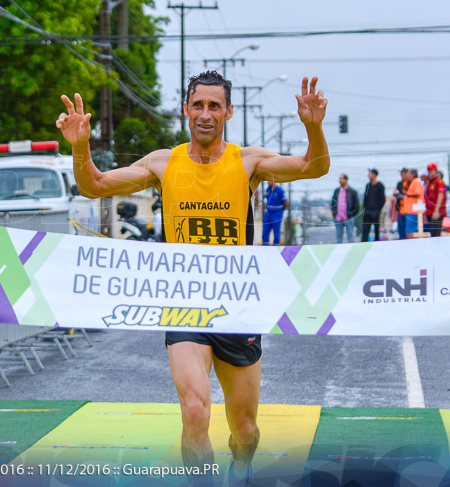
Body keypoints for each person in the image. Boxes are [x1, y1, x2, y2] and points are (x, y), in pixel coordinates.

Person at [55, 71, 329, 480]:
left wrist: (314, 129)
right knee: (195, 411)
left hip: (237, 307)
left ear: (228, 112)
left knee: (245, 430)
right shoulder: (164, 163)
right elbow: (94, 185)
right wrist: (80, 147)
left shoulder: (247, 161)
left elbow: (313, 168)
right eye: (197, 105)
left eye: (214, 106)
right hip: (185, 304)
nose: (205, 114)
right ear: (186, 109)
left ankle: (240, 468)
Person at [330, 174, 359, 243]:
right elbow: (333, 203)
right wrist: (334, 214)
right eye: (339, 178)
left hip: (348, 217)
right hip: (338, 217)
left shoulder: (352, 191)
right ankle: (339, 251)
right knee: (339, 236)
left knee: (350, 235)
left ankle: (351, 251)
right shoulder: (336, 191)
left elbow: (356, 206)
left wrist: (351, 214)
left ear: (346, 180)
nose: (340, 180)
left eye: (341, 178)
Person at [399, 168, 425, 239]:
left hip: (414, 212)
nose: (407, 175)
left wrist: (407, 194)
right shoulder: (413, 182)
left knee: (411, 233)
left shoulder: (416, 181)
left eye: (408, 173)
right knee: (410, 232)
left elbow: (418, 193)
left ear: (412, 174)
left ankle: (412, 248)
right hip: (411, 212)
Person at [361, 168, 386, 241]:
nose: (368, 176)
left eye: (370, 174)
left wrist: (378, 209)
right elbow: (365, 198)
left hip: (375, 211)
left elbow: (383, 199)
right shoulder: (367, 185)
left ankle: (377, 243)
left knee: (376, 230)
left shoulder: (380, 186)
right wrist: (364, 208)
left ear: (374, 175)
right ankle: (364, 243)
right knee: (365, 230)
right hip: (367, 211)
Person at [262, 180, 287, 246]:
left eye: (269, 181)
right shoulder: (267, 190)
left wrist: (281, 210)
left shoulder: (280, 190)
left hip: (277, 213)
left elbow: (286, 202)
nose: (268, 183)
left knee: (276, 232)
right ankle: (265, 249)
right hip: (268, 213)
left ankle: (276, 248)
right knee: (265, 231)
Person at [424, 164, 446, 237]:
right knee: (433, 235)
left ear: (435, 171)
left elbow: (440, 196)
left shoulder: (438, 181)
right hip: (430, 212)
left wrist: (436, 211)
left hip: (436, 213)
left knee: (436, 235)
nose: (429, 172)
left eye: (431, 170)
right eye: (428, 170)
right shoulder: (430, 182)